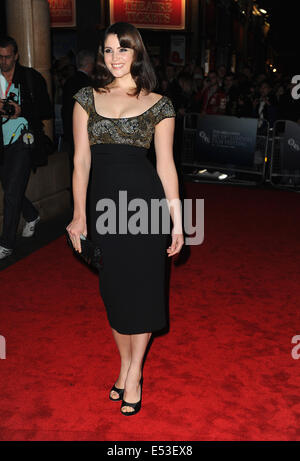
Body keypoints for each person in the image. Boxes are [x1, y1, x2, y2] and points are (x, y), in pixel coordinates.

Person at [66, 22, 184, 416]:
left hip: (145, 209)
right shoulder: (84, 98)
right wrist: (79, 213)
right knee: (114, 295)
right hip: (103, 210)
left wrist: (177, 221)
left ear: (137, 53)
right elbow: (81, 161)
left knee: (145, 294)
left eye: (123, 49)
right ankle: (125, 365)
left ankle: (133, 373)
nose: (115, 58)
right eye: (109, 50)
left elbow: (166, 167)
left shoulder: (161, 104)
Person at [0, 36, 52, 260]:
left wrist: (21, 111)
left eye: (7, 57)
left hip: (23, 139)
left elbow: (45, 109)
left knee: (11, 193)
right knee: (10, 187)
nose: (3, 61)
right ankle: (31, 215)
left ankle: (6, 243)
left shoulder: (30, 78)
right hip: (1, 141)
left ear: (16, 55)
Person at [61, 49, 95, 205]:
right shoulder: (89, 84)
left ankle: (76, 203)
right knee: (86, 169)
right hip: (86, 135)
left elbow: (65, 110)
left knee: (74, 168)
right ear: (89, 64)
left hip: (71, 133)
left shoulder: (69, 81)